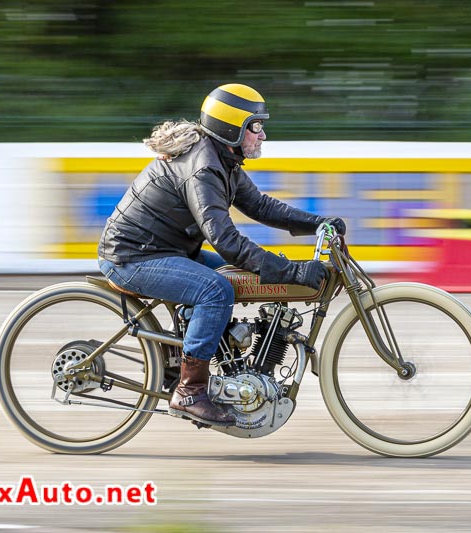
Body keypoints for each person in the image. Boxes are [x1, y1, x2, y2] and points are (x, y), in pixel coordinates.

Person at [97, 83, 345, 426]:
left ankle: (191, 360)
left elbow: (259, 205)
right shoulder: (203, 168)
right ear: (232, 129)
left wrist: (318, 223)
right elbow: (224, 238)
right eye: (255, 127)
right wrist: (288, 269)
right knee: (216, 290)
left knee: (234, 275)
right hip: (132, 258)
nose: (262, 135)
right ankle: (189, 391)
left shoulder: (223, 159)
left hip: (167, 250)